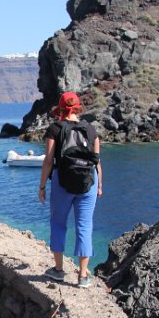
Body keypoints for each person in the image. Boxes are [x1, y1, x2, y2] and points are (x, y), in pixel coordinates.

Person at [38, 92, 103, 288]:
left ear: (60, 108)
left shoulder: (55, 128)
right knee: (84, 226)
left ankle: (58, 270)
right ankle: (83, 276)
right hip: (88, 182)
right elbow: (96, 161)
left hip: (62, 181)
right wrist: (99, 185)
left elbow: (49, 161)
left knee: (58, 224)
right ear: (77, 108)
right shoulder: (90, 130)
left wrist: (42, 186)